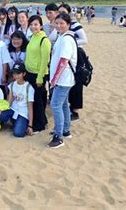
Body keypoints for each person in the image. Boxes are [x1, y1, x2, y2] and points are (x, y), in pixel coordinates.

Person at [48, 12, 77, 149]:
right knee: (63, 104)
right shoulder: (62, 37)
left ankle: (58, 136)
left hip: (63, 79)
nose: (59, 25)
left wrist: (54, 79)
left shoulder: (66, 39)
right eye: (57, 23)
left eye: (62, 23)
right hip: (63, 79)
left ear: (68, 25)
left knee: (55, 105)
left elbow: (64, 60)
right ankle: (65, 130)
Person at [59, 3, 87, 120]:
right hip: (63, 54)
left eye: (64, 11)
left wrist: (71, 43)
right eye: (59, 11)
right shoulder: (59, 25)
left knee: (76, 83)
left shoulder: (75, 25)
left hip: (76, 55)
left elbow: (84, 40)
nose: (61, 13)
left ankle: (75, 110)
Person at [25, 15, 51, 132]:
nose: (33, 27)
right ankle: (40, 121)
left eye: (36, 24)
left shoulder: (44, 40)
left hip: (38, 74)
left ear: (41, 25)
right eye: (31, 24)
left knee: (38, 100)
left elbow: (45, 60)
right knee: (34, 99)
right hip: (30, 73)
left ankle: (40, 124)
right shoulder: (33, 37)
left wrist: (40, 77)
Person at [0, 63, 34, 137]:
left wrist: (30, 125)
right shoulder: (12, 85)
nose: (16, 76)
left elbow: (30, 107)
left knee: (18, 133)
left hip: (22, 113)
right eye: (14, 73)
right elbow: (9, 102)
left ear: (24, 74)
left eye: (18, 73)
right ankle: (13, 121)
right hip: (13, 110)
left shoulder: (29, 88)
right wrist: (2, 109)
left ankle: (18, 122)